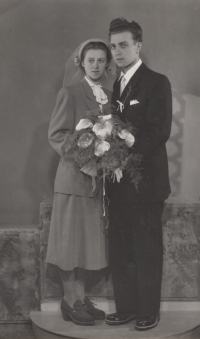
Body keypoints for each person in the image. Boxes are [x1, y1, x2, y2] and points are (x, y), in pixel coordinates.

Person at [106, 18, 172, 331]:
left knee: (146, 248)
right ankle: (127, 308)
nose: (117, 51)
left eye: (123, 45)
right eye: (113, 45)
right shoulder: (112, 86)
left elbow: (160, 132)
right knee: (120, 248)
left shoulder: (157, 82)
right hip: (117, 183)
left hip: (146, 182)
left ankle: (149, 311)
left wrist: (131, 144)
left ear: (138, 46)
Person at [46, 39, 113, 326]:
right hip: (74, 179)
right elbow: (58, 135)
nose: (96, 66)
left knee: (85, 243)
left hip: (98, 182)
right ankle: (69, 301)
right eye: (91, 61)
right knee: (69, 243)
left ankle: (80, 297)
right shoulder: (70, 92)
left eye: (101, 61)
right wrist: (85, 161)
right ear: (81, 63)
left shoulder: (109, 96)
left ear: (107, 64)